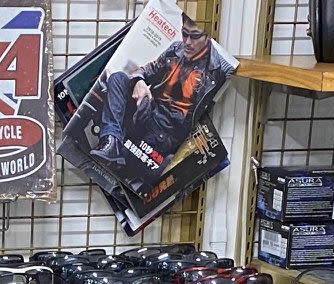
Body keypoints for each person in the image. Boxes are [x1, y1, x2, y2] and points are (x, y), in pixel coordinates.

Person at [86, 16, 230, 181]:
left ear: (208, 36)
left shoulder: (216, 72)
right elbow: (147, 69)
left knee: (123, 167)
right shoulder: (177, 49)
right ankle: (111, 141)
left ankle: (123, 158)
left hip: (166, 132)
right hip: (148, 110)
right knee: (118, 78)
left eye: (195, 36)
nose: (188, 42)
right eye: (185, 34)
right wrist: (139, 81)